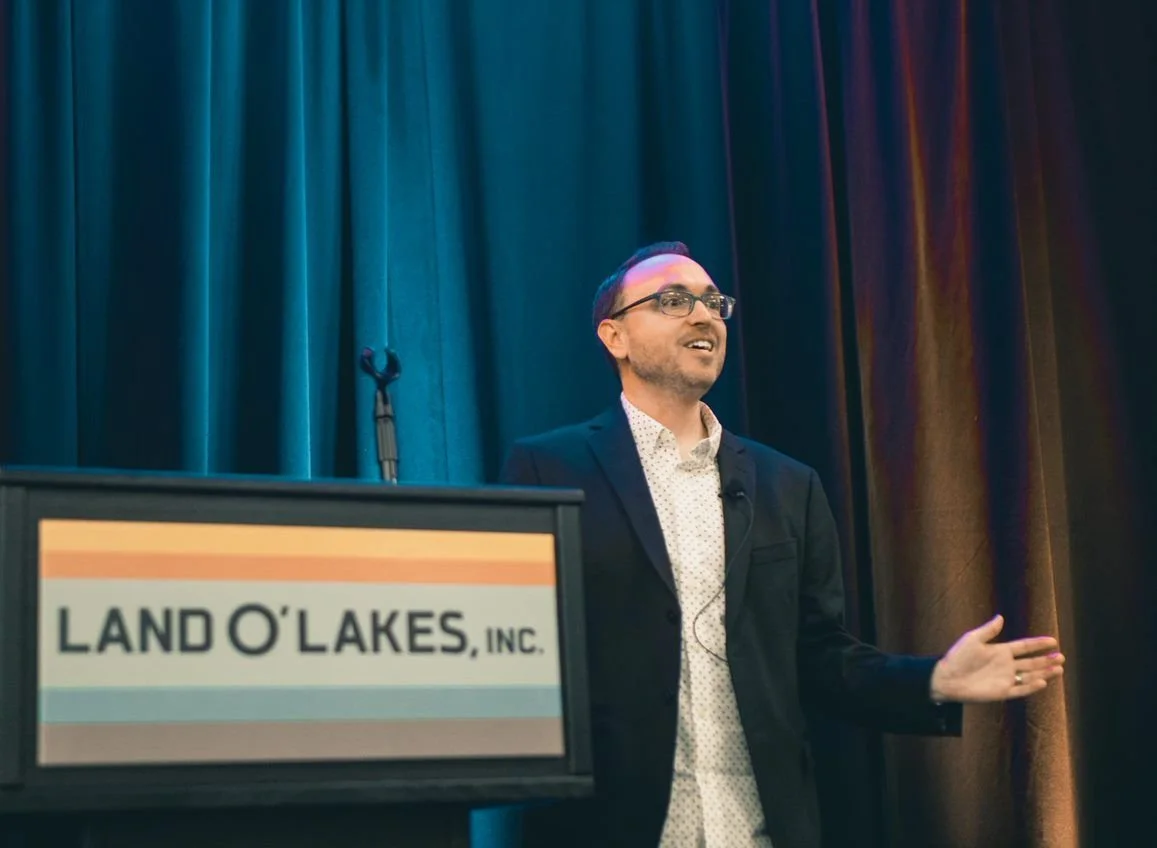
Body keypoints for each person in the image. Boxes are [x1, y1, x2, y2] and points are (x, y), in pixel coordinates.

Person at [498, 242, 1065, 848]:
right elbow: (517, 648)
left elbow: (820, 656)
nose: (703, 315)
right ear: (615, 337)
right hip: (609, 827)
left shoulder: (787, 485)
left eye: (714, 302)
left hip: (758, 828)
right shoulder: (549, 469)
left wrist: (932, 682)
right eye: (674, 301)